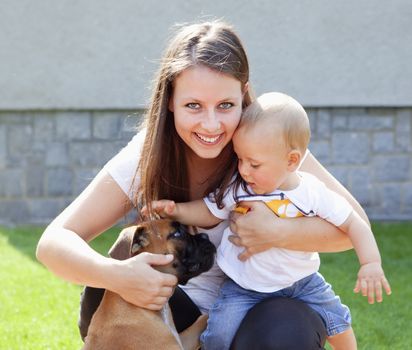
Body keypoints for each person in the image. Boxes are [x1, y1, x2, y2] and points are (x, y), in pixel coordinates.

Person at [36, 20, 370, 349]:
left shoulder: (269, 146)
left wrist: (278, 232)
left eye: (225, 105)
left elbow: (353, 226)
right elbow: (52, 243)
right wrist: (116, 276)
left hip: (257, 310)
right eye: (193, 105)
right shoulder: (148, 153)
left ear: (243, 95)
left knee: (283, 329)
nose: (211, 124)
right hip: (177, 313)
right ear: (170, 100)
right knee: (103, 282)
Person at [148, 92, 392, 349]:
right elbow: (209, 211)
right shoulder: (240, 188)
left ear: (292, 161)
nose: (243, 170)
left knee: (338, 322)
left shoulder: (312, 192)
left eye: (254, 163)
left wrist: (370, 263)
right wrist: (176, 211)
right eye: (240, 159)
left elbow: (354, 223)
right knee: (218, 334)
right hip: (243, 287)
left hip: (303, 283)